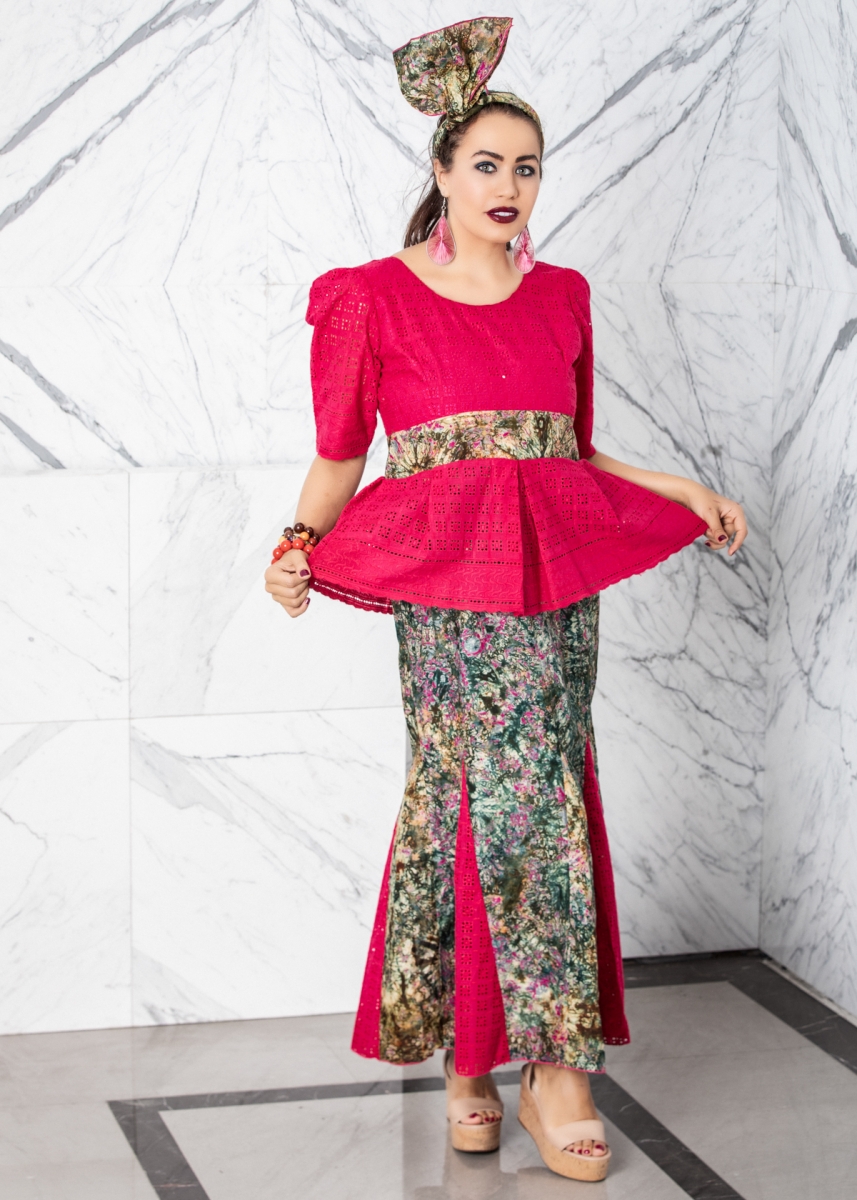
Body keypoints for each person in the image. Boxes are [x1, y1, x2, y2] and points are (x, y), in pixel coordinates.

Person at [264, 16, 747, 1184]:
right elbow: (339, 455)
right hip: (446, 588)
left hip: (550, 586)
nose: (509, 187)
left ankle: (550, 1070)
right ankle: (469, 1061)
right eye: (485, 163)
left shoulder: (562, 294)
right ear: (439, 171)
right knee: (462, 797)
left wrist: (677, 487)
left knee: (543, 795)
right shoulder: (370, 298)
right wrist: (294, 545)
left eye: (526, 167)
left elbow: (566, 449)